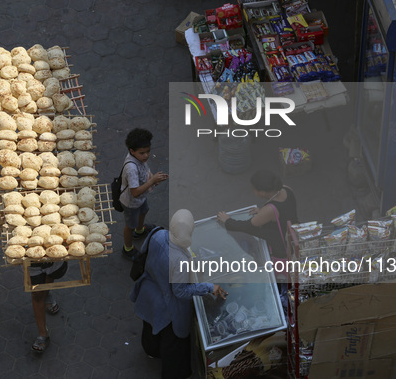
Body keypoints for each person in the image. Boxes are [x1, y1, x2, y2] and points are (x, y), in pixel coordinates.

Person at [130, 209, 227, 379]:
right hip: (168, 307)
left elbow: (144, 255)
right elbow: (180, 291)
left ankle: (151, 350)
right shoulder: (179, 260)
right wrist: (209, 287)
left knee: (151, 325)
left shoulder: (158, 234)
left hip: (149, 292)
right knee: (173, 344)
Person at [217, 169, 298, 260]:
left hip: (281, 245)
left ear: (262, 192)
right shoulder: (286, 189)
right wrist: (263, 213)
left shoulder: (270, 210)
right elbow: (284, 211)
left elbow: (247, 226)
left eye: (254, 189)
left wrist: (228, 220)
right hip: (294, 232)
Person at [119, 128, 169, 260]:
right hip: (131, 202)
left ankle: (140, 231)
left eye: (148, 152)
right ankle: (128, 248)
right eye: (142, 153)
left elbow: (145, 170)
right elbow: (134, 192)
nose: (146, 156)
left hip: (141, 199)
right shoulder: (131, 168)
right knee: (130, 226)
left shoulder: (138, 158)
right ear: (132, 151)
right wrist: (152, 181)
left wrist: (152, 178)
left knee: (144, 211)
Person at [29, 261, 68, 353]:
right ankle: (43, 334)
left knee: (51, 275)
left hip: (53, 259)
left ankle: (46, 295)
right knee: (37, 294)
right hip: (32, 263)